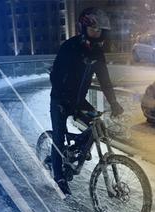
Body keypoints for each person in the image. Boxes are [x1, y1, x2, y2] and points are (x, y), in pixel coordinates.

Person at [49, 7, 123, 195]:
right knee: (58, 138)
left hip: (78, 101)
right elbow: (55, 75)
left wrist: (113, 102)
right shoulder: (70, 47)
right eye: (93, 29)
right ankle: (58, 177)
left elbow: (105, 80)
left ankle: (80, 149)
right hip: (60, 99)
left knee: (96, 123)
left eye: (99, 30)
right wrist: (60, 97)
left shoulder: (97, 52)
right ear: (84, 28)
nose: (96, 33)